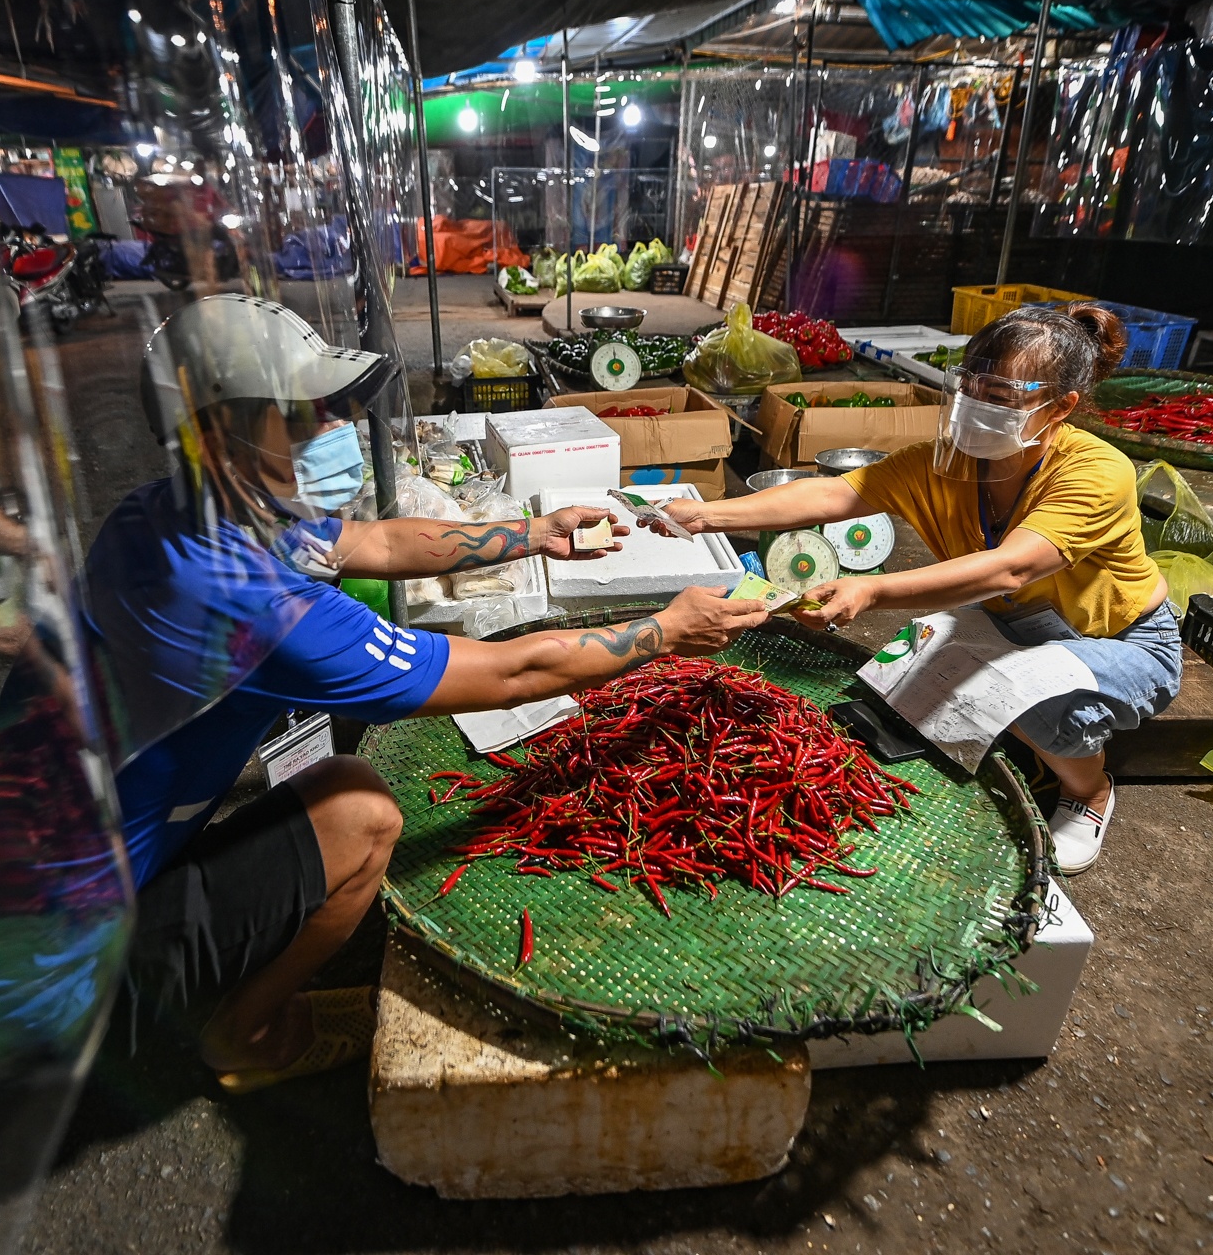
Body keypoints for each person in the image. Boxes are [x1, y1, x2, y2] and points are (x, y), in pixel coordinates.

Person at [80, 295, 768, 1090]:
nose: (330, 429)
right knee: (362, 815)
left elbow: (373, 539)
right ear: (210, 437)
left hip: (91, 847)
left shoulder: (178, 513)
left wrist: (534, 534)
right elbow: (515, 674)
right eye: (299, 416)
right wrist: (665, 631)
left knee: (332, 790)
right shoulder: (257, 600)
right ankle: (242, 1033)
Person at [651, 303, 1180, 877]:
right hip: (1013, 621)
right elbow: (834, 495)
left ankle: (1090, 792)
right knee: (902, 680)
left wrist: (872, 590)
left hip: (1122, 639)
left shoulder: (1098, 471)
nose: (977, 407)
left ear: (1060, 407)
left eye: (1002, 397)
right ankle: (1037, 736)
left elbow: (1012, 569)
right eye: (971, 387)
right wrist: (708, 515)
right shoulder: (948, 462)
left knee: (1032, 701)